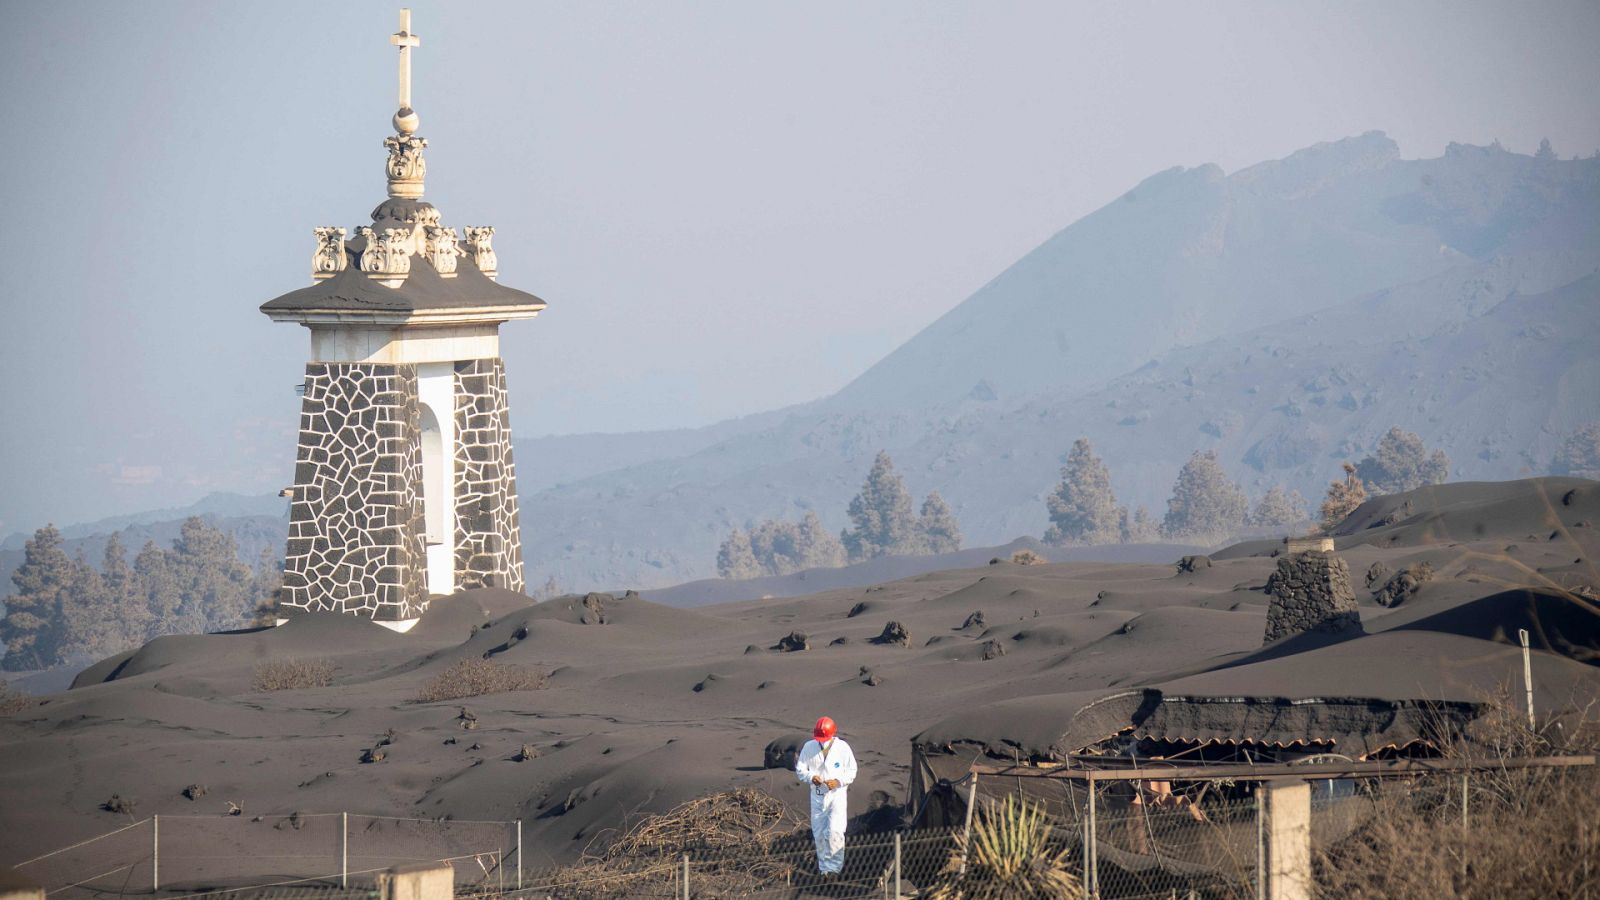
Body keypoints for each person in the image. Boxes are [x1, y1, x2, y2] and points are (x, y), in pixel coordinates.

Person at [794, 715, 857, 876]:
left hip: (836, 795)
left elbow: (852, 771)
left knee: (835, 831)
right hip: (817, 795)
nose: (822, 740)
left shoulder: (842, 748)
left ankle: (835, 868)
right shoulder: (809, 747)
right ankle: (824, 870)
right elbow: (801, 769)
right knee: (820, 832)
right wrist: (811, 777)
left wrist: (838, 781)